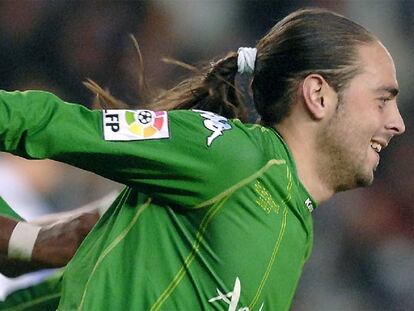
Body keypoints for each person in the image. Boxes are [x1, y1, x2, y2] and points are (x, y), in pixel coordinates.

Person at [0, 7, 405, 310]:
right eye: (383, 100)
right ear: (318, 95)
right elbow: (50, 123)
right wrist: (29, 242)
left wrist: (27, 243)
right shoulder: (231, 154)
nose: (398, 123)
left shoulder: (296, 229)